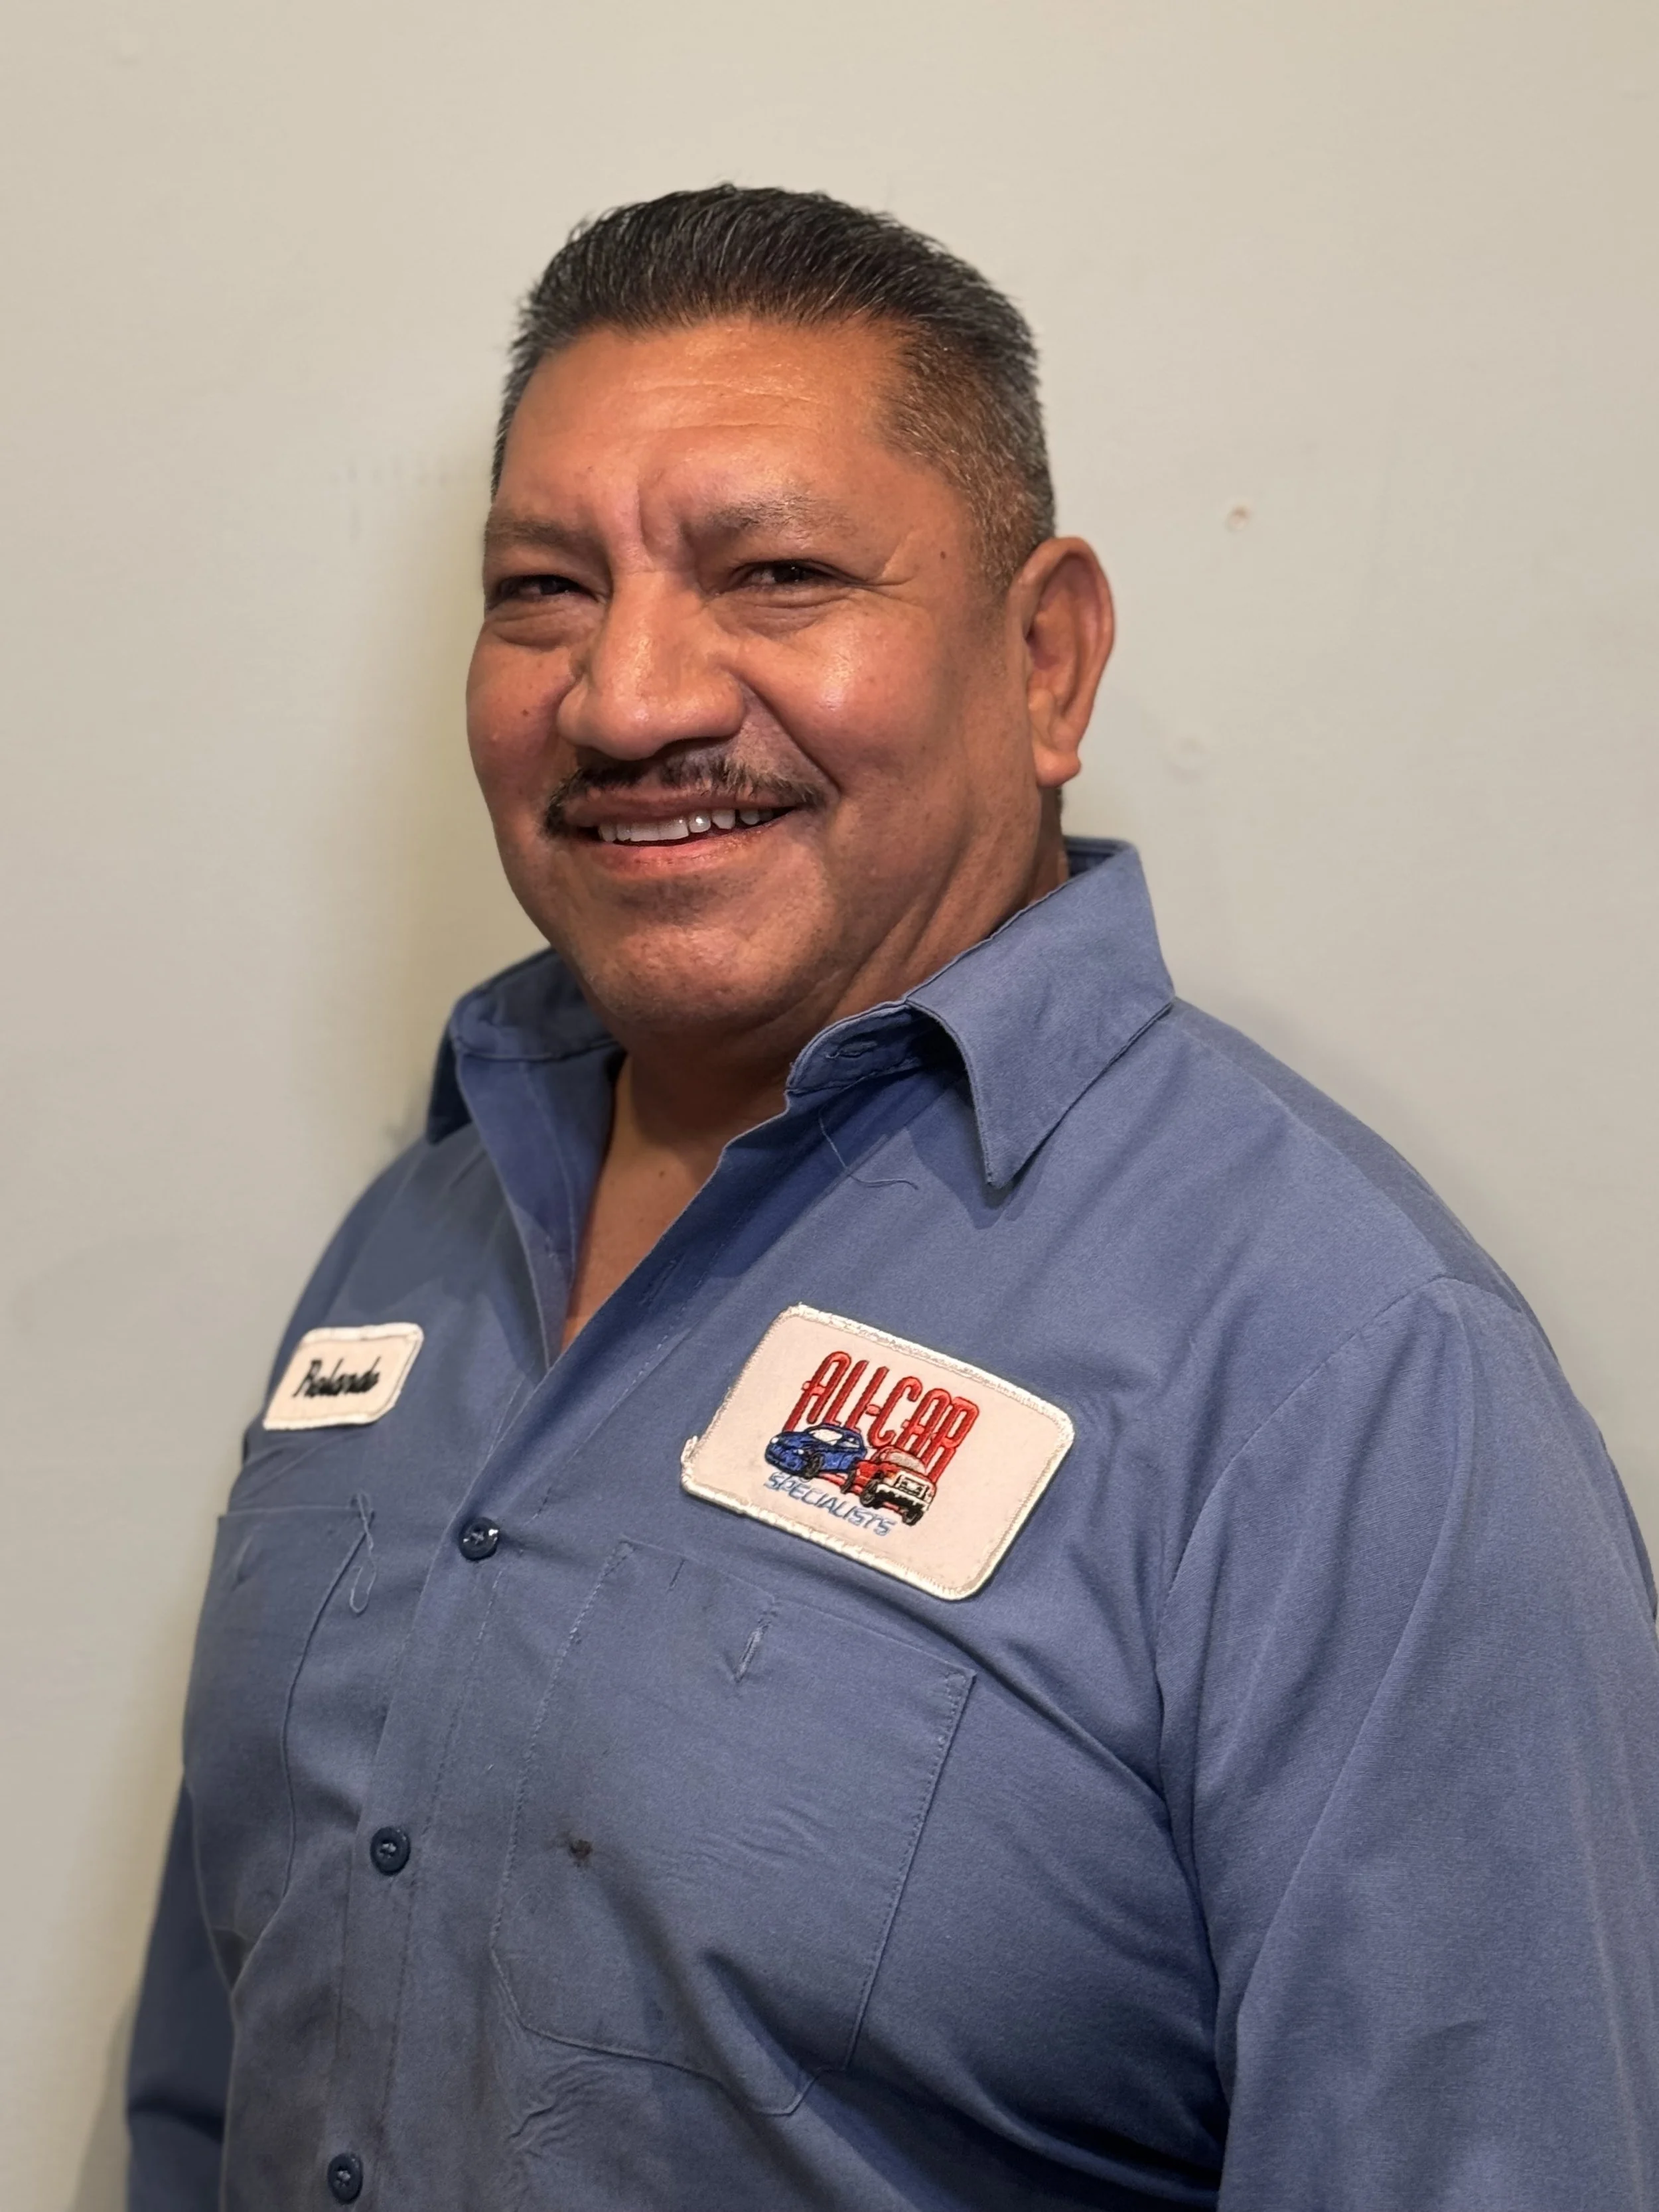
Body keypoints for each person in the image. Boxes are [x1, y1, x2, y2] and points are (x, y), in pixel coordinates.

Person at [127, 186, 1659, 2212]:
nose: (625, 696)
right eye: (541, 589)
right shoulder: (405, 1248)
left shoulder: (1349, 1383)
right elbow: (208, 2089)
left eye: (771, 573)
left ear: (1047, 660)